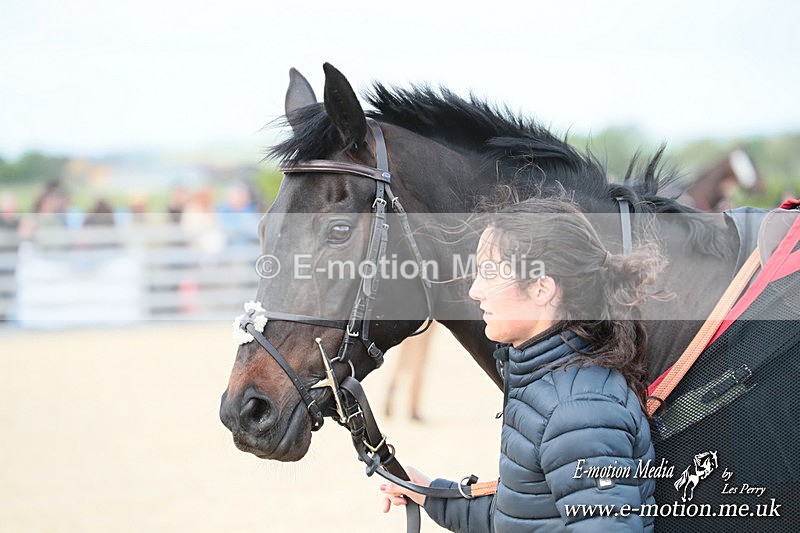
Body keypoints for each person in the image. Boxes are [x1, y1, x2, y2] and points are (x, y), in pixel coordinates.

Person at [380, 195, 665, 532]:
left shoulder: (578, 412)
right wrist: (429, 493)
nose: (474, 291)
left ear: (542, 289)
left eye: (489, 273)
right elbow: (519, 516)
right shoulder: (547, 382)